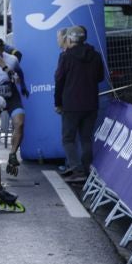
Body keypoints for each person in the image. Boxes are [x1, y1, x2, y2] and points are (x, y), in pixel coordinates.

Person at [54, 23, 105, 182]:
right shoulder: (95, 56)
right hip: (91, 104)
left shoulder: (66, 56)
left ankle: (77, 170)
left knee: (68, 139)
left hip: (71, 104)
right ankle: (85, 170)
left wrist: (58, 102)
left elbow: (59, 81)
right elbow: (100, 77)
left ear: (69, 39)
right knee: (86, 138)